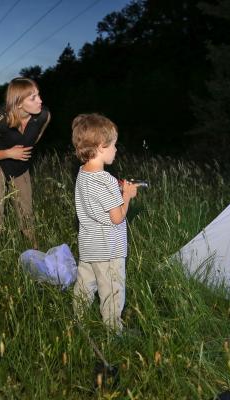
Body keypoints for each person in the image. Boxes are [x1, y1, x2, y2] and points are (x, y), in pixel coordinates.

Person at [70, 113, 137, 333]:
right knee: (112, 291)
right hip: (109, 249)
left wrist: (114, 192)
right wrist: (126, 195)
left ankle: (77, 321)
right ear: (100, 146)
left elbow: (97, 201)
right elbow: (117, 217)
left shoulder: (83, 174)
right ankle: (114, 331)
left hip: (89, 247)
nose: (116, 150)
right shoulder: (105, 179)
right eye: (114, 145)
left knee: (85, 285)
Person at [0, 77, 50, 247]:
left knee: (25, 208)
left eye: (38, 95)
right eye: (33, 98)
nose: (40, 100)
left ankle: (34, 248)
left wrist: (20, 152)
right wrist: (9, 153)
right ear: (18, 103)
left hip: (20, 163)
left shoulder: (44, 116)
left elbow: (35, 137)